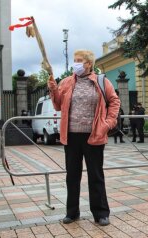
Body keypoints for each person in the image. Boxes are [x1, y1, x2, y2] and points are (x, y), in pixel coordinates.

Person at [48, 49, 120, 226]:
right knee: (72, 176)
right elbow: (58, 105)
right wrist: (53, 90)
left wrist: (108, 123)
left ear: (89, 63)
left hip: (94, 135)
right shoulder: (66, 82)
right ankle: (72, 212)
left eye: (79, 60)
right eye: (74, 60)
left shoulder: (102, 81)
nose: (76, 63)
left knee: (95, 175)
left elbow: (114, 101)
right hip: (71, 136)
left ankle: (101, 213)